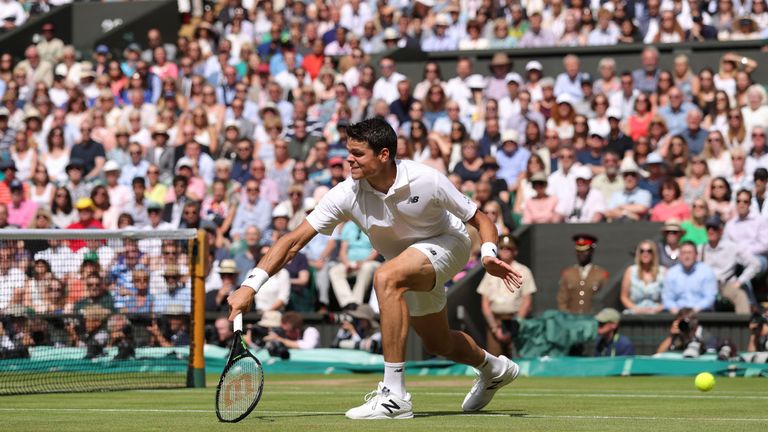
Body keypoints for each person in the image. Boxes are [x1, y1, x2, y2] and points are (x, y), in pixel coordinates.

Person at [227, 118, 522, 419]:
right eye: (349, 151)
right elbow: (292, 241)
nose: (349, 159)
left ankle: (395, 395)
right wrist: (250, 285)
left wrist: (487, 253)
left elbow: (482, 220)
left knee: (385, 277)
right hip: (406, 262)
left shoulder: (427, 179)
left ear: (383, 155)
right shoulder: (346, 193)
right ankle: (494, 369)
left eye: (358, 153)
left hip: (448, 243)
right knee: (439, 343)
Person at [477, 235, 536, 358]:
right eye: (502, 247)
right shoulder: (490, 271)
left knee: (516, 359)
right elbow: (485, 303)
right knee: (494, 360)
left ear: (515, 251)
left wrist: (513, 326)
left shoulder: (523, 271)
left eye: (508, 248)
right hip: (495, 321)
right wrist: (494, 327)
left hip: (514, 319)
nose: (504, 250)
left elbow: (527, 301)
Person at [700, 215, 760, 314]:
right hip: (706, 285)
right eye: (708, 228)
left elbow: (755, 264)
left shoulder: (732, 247)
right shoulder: (701, 248)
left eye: (714, 228)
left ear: (721, 231)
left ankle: (742, 327)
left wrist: (740, 281)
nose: (710, 230)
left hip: (726, 283)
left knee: (740, 296)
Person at [557, 234, 609, 315]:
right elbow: (562, 300)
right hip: (571, 319)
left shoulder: (601, 274)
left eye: (585, 250)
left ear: (592, 251)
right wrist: (566, 316)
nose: (581, 254)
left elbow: (604, 300)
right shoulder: (568, 273)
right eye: (579, 251)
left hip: (592, 319)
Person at [662, 242, 717, 314]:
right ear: (679, 255)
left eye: (689, 253)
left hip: (701, 313)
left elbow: (710, 298)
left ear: (696, 255)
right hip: (677, 314)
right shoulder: (672, 273)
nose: (686, 256)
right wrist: (676, 310)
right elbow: (667, 298)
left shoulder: (706, 272)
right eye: (684, 253)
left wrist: (694, 310)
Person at [620, 240, 665, 314]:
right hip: (635, 313)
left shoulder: (663, 272)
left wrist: (657, 309)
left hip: (657, 314)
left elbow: (670, 298)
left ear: (654, 253)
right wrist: (636, 309)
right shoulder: (630, 271)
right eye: (642, 251)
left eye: (649, 251)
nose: (645, 253)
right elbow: (624, 297)